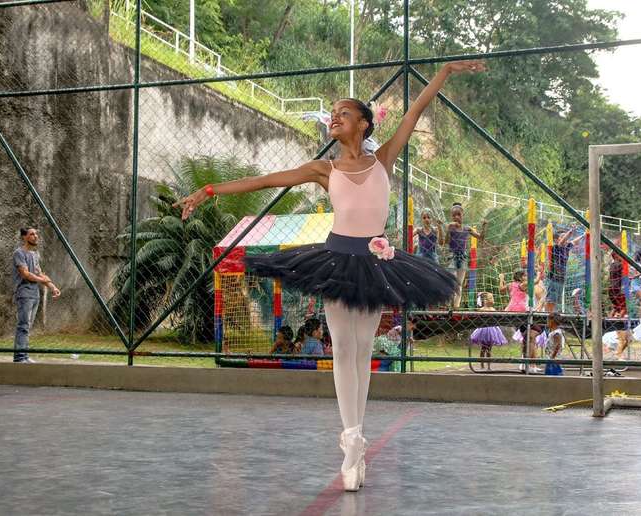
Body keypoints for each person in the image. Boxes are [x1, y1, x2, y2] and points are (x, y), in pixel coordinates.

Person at [174, 60, 482, 492]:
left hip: (377, 263)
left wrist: (444, 73)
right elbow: (265, 180)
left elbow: (414, 111)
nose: (334, 118)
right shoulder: (324, 170)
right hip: (337, 260)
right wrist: (208, 190)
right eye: (332, 113)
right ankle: (352, 440)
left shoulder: (385, 158)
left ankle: (355, 433)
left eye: (343, 113)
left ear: (363, 123)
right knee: (343, 348)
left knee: (363, 350)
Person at [12, 227, 60, 363]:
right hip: (24, 294)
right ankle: (19, 357)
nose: (36, 236)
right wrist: (43, 280)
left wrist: (52, 287)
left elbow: (39, 273)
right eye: (32, 234)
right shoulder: (19, 253)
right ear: (24, 237)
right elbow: (25, 274)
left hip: (35, 295)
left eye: (36, 234)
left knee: (28, 326)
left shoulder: (35, 255)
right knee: (23, 326)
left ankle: (25, 356)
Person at [444, 202, 487, 309]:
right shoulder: (451, 228)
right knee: (451, 280)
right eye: (454, 215)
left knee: (459, 283)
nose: (456, 217)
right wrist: (448, 230)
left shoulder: (467, 228)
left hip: (462, 257)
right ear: (451, 216)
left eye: (458, 214)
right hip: (452, 256)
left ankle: (456, 307)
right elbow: (446, 241)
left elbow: (480, 237)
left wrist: (484, 226)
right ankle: (448, 305)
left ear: (463, 215)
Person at [545, 227, 584, 314]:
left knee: (555, 300)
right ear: (557, 240)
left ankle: (550, 314)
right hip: (554, 277)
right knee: (550, 299)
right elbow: (563, 241)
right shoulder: (556, 248)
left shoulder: (566, 248)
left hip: (561, 278)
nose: (565, 239)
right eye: (562, 237)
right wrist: (570, 232)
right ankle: (546, 315)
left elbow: (574, 241)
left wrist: (584, 234)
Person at [470, 292, 507, 370]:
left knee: (489, 349)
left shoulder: (493, 309)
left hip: (492, 330)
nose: (492, 300)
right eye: (490, 299)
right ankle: (482, 365)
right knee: (483, 348)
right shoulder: (482, 309)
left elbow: (496, 319)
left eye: (492, 299)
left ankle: (489, 365)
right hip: (483, 330)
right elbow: (477, 318)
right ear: (485, 300)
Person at [608, 250, 627, 318]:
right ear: (616, 256)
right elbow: (624, 276)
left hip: (611, 288)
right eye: (621, 255)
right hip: (618, 288)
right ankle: (619, 320)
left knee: (616, 307)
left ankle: (610, 319)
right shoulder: (620, 265)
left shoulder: (612, 265)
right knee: (624, 307)